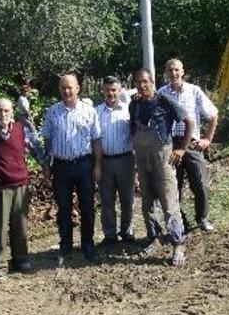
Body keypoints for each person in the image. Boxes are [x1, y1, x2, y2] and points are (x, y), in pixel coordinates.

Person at [130, 68, 195, 265]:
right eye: (138, 82)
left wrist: (182, 149)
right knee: (148, 204)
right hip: (142, 159)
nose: (142, 86)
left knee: (169, 203)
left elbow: (189, 122)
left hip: (163, 159)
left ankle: (177, 245)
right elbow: (133, 129)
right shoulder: (134, 105)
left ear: (152, 82)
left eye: (145, 82)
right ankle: (154, 240)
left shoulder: (164, 101)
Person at [41, 74, 102, 264]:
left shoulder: (89, 111)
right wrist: (46, 164)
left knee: (87, 208)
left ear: (78, 88)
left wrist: (98, 165)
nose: (67, 91)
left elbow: (96, 140)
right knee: (64, 209)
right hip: (61, 166)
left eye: (70, 87)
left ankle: (88, 246)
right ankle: (65, 247)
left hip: (84, 164)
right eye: (63, 88)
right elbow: (47, 139)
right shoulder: (52, 112)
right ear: (60, 90)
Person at [0, 99, 38, 281]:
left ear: (12, 112)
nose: (3, 114)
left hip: (20, 184)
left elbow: (37, 148)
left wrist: (47, 166)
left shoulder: (21, 129)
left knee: (21, 225)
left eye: (6, 110)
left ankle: (21, 258)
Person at [157, 58, 219, 232]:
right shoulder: (161, 94)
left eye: (176, 70)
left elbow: (213, 114)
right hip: (170, 145)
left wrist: (207, 138)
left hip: (192, 144)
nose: (173, 73)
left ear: (183, 72)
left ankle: (202, 218)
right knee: (173, 186)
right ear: (166, 72)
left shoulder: (194, 91)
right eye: (170, 70)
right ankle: (181, 221)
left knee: (200, 184)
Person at [96, 76, 135, 245]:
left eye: (114, 90)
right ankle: (110, 235)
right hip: (104, 161)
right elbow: (94, 139)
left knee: (127, 199)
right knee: (107, 200)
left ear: (120, 91)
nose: (110, 93)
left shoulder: (128, 110)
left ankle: (127, 231)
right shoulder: (96, 112)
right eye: (107, 90)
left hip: (126, 160)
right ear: (102, 91)